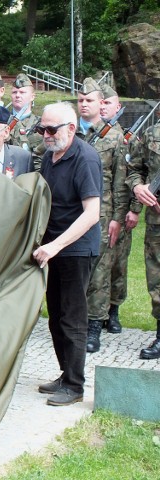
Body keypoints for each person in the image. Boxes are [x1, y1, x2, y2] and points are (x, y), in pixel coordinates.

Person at [33, 102, 102, 406]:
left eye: (51, 130)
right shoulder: (51, 156)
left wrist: (56, 245)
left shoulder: (85, 158)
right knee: (56, 316)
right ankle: (65, 374)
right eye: (42, 129)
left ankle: (75, 386)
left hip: (75, 249)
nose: (46, 135)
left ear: (71, 129)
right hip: (54, 249)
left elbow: (92, 214)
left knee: (73, 318)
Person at [76, 78, 129, 353]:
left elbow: (121, 180)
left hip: (103, 213)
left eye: (90, 100)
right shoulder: (68, 131)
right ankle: (73, 320)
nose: (84, 104)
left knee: (99, 270)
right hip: (72, 213)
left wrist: (118, 217)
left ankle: (94, 326)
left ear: (101, 104)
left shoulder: (114, 136)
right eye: (81, 100)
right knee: (74, 268)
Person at [101, 83, 140, 333]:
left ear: (118, 107)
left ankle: (114, 309)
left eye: (108, 103)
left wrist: (133, 209)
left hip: (121, 208)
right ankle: (97, 310)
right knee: (99, 265)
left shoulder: (128, 139)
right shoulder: (92, 136)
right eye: (100, 102)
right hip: (100, 209)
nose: (103, 107)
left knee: (118, 263)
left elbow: (136, 174)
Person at [126, 106, 160, 360]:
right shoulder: (151, 134)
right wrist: (139, 189)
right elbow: (134, 169)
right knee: (157, 281)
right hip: (157, 222)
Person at [7, 74, 44, 171]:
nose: (17, 95)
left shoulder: (43, 124)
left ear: (32, 96)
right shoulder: (2, 122)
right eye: (14, 92)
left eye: (22, 92)